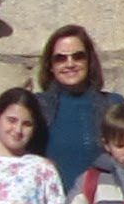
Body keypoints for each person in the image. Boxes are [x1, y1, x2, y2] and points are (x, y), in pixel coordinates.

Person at [31, 27, 108, 189]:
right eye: (60, 58)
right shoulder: (34, 106)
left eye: (78, 57)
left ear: (89, 61)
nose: (70, 64)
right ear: (50, 65)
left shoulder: (112, 105)